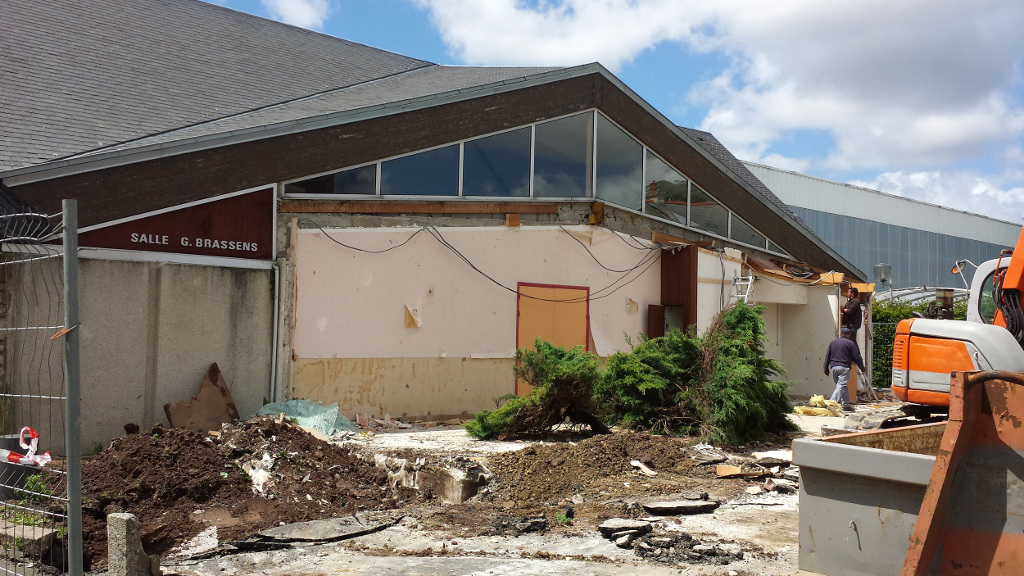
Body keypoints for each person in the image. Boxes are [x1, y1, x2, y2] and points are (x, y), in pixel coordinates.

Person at [823, 327, 865, 412]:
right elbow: (857, 357)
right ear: (848, 335)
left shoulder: (833, 343)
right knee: (841, 386)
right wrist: (862, 368)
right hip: (844, 367)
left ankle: (845, 405)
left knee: (842, 386)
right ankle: (831, 403)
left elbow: (827, 356)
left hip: (834, 367)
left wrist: (826, 369)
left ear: (840, 334)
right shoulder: (850, 343)